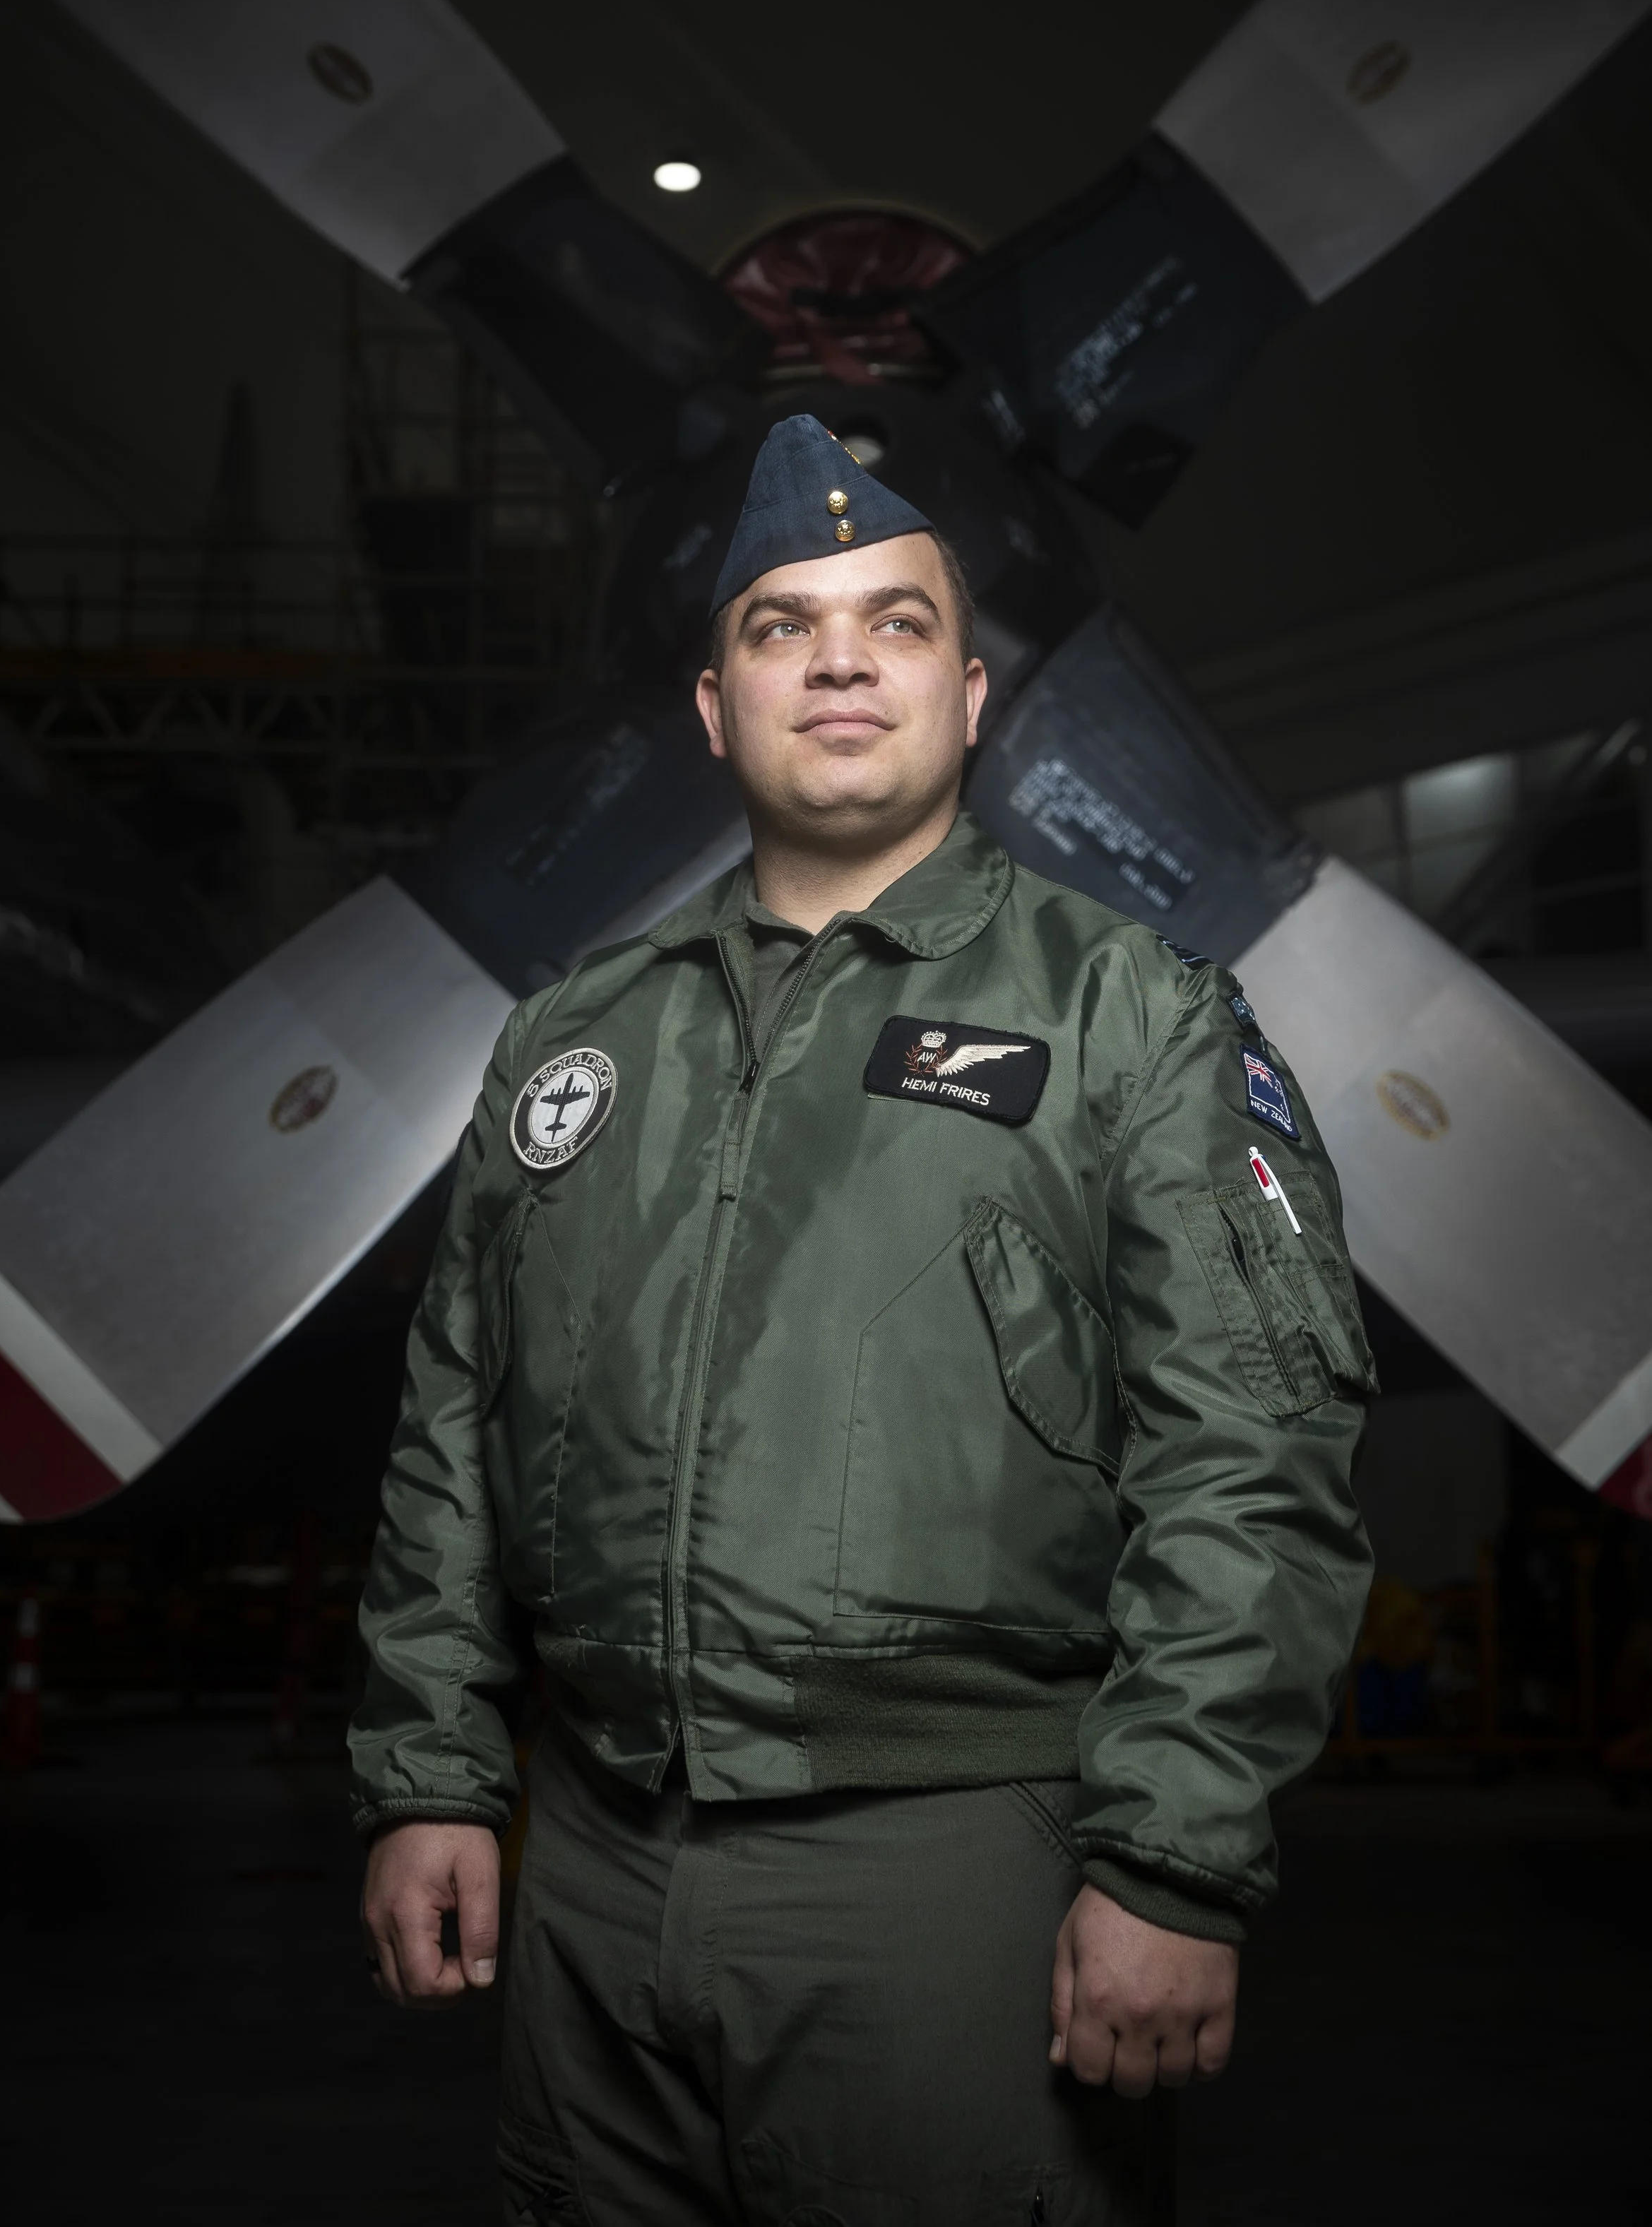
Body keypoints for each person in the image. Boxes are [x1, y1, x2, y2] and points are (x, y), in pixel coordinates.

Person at [350, 412, 1376, 2226]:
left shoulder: (1133, 1015)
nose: (837, 658)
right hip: (589, 1865)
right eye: (780, 627)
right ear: (710, 709)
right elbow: (454, 1432)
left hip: (952, 1860)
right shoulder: (575, 1038)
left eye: (894, 624)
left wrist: (1172, 1865)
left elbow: (1254, 1456)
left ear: (971, 700)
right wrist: (431, 1773)